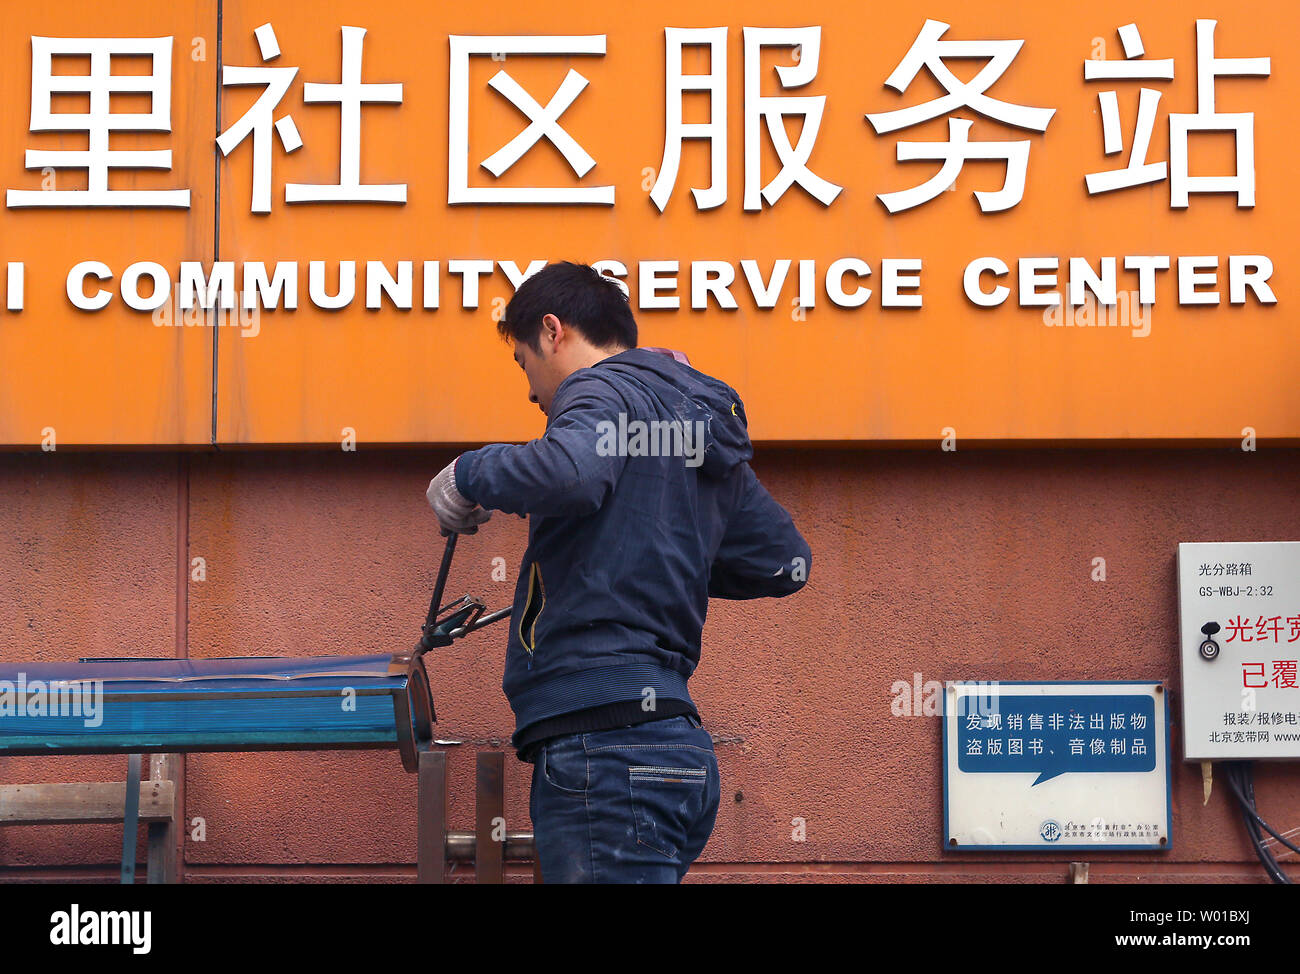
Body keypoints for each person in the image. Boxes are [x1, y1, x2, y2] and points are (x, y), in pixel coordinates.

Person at [426, 261, 811, 883]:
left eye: (524, 363)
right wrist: (660, 543)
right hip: (676, 753)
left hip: (605, 752)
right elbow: (785, 561)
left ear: (553, 331)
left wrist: (469, 474)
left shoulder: (600, 389)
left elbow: (572, 471)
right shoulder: (695, 421)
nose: (531, 394)